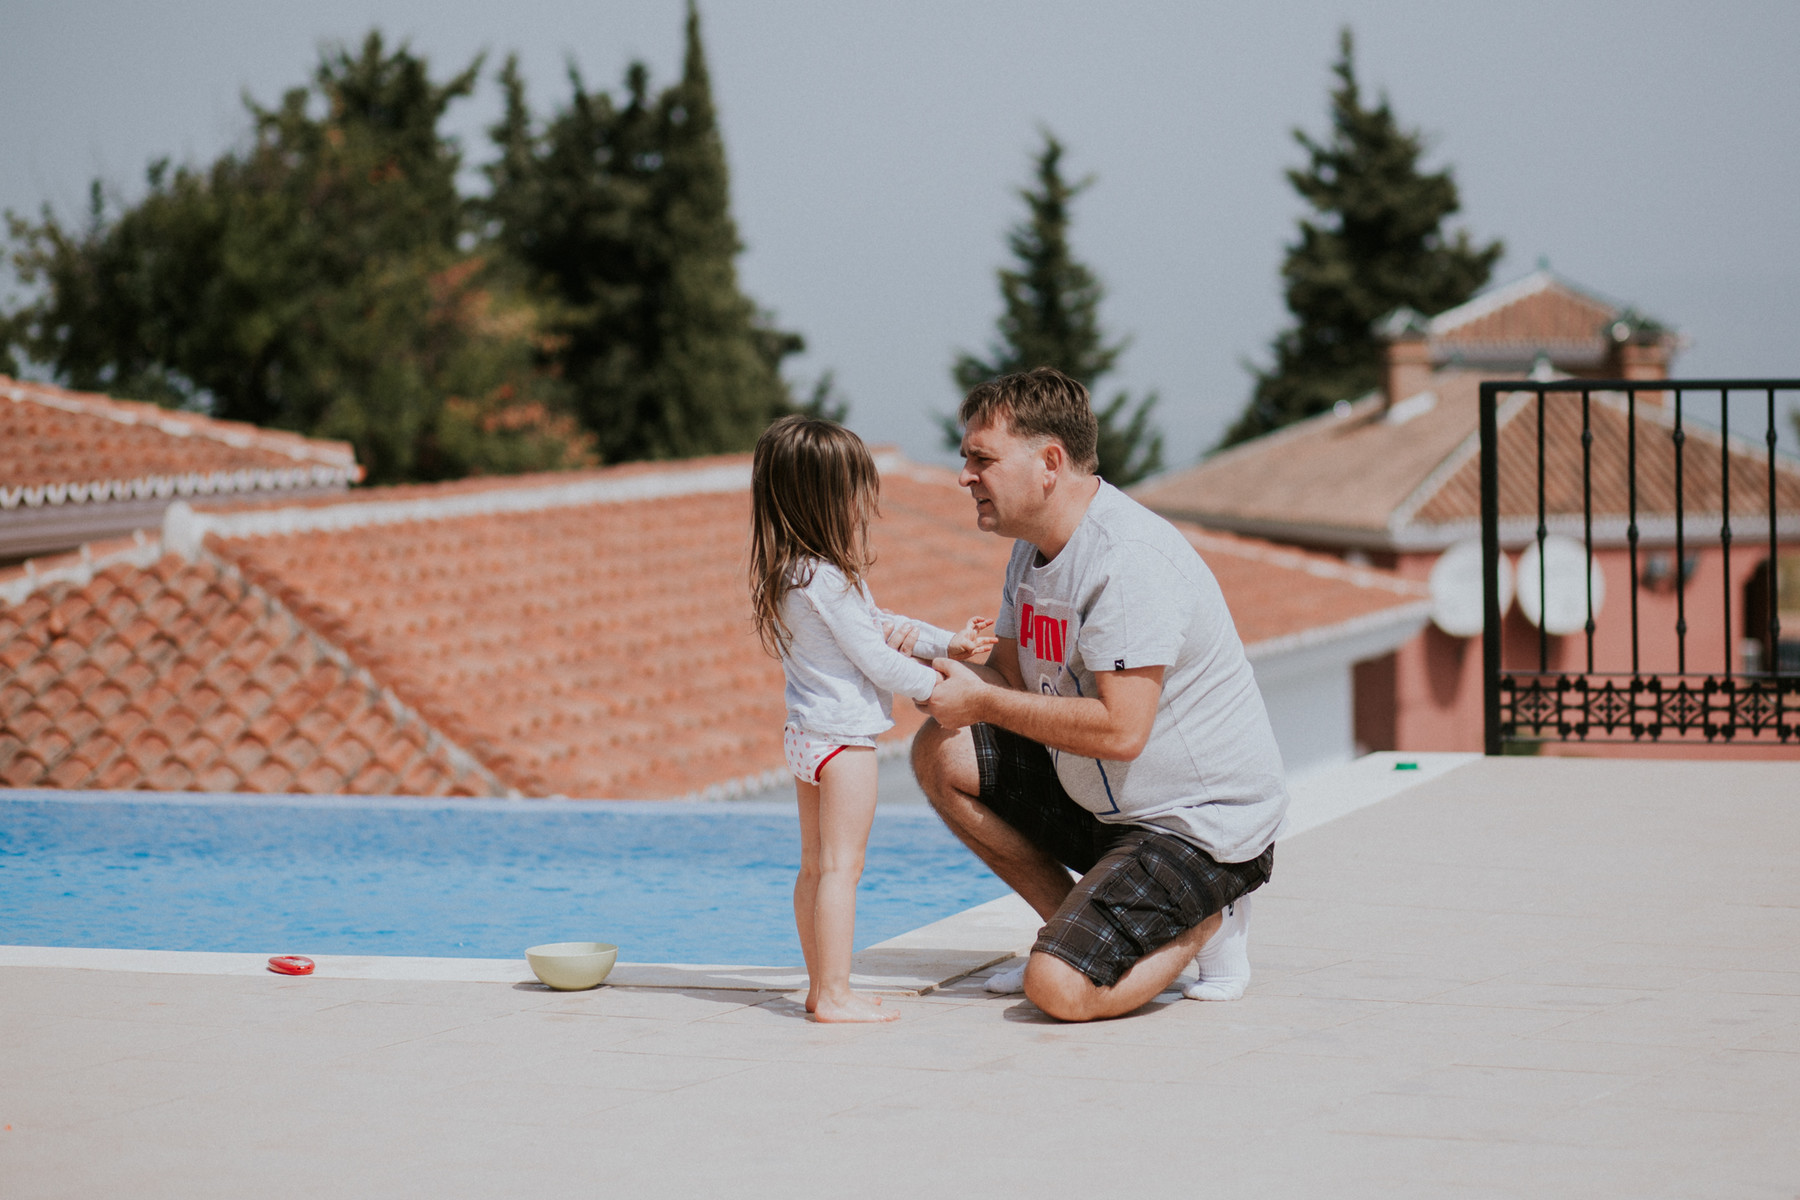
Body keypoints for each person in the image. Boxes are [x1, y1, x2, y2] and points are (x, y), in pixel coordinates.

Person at [909, 367, 1288, 1022]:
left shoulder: (1126, 561)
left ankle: (1207, 919)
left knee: (1057, 991)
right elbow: (1013, 680)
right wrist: (932, 671)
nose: (964, 475)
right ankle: (1071, 934)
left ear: (1049, 462)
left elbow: (1121, 731)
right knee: (942, 750)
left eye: (981, 459)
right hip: (1109, 800)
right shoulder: (1033, 551)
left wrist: (984, 703)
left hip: (1198, 824)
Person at [750, 415, 997, 1023]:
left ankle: (818, 988)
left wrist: (947, 644)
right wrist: (940, 687)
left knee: (814, 865)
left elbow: (881, 624)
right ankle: (835, 994)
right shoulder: (827, 580)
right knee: (843, 868)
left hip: (808, 737)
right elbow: (876, 658)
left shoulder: (799, 573)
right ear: (826, 499)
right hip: (842, 743)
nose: (864, 503)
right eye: (855, 490)